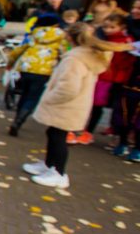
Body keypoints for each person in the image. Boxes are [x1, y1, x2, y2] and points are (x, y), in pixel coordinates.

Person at [26, 23, 132, 188]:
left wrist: (50, 99)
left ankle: (58, 173)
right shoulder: (87, 56)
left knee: (58, 137)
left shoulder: (74, 59)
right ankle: (49, 165)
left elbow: (68, 87)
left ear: (70, 37)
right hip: (73, 105)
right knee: (54, 133)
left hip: (65, 105)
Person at [74, 12, 134, 145]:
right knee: (91, 103)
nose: (108, 30)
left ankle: (87, 132)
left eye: (112, 27)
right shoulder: (100, 38)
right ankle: (81, 129)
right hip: (100, 75)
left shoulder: (124, 41)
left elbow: (125, 61)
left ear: (122, 27)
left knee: (98, 105)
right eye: (106, 27)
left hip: (110, 78)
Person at [5, 13, 68, 136]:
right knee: (33, 97)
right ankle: (20, 120)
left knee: (24, 94)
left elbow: (19, 50)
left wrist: (10, 63)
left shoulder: (34, 34)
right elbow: (64, 54)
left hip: (26, 67)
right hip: (44, 71)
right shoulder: (61, 37)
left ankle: (17, 118)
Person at [110, 43, 140, 161]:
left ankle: (137, 149)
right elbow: (119, 64)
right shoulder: (132, 50)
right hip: (127, 90)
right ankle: (122, 143)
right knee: (123, 117)